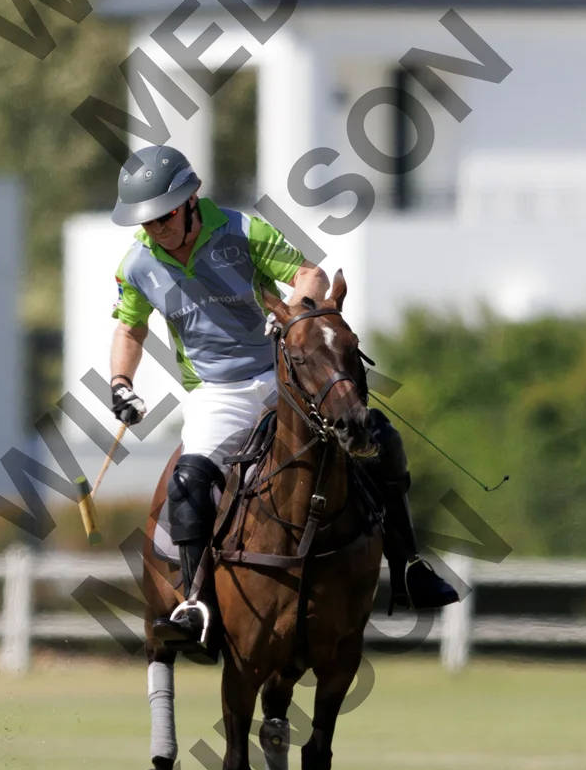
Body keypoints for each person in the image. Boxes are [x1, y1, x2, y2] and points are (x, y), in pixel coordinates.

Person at [106, 146, 457, 650]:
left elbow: (311, 275)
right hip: (214, 393)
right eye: (146, 220)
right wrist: (121, 383)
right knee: (188, 481)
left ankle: (408, 567)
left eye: (163, 216)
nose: (155, 228)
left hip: (280, 378)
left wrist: (293, 308)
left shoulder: (241, 230)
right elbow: (130, 329)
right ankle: (195, 604)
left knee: (378, 437)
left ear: (190, 201)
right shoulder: (137, 264)